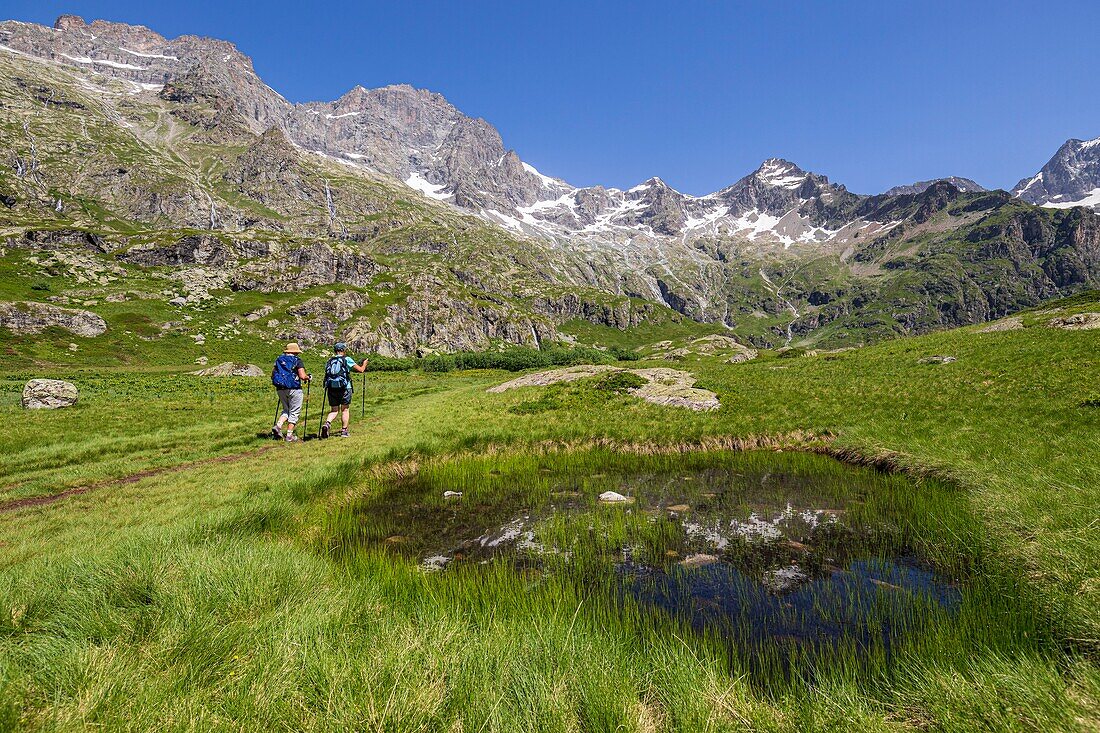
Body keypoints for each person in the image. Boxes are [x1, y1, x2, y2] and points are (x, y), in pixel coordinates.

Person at [320, 342, 368, 439]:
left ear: (335, 350)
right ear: (344, 350)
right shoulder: (347, 359)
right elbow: (361, 370)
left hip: (331, 388)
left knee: (334, 410)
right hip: (345, 388)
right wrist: (364, 364)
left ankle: (327, 424)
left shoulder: (330, 360)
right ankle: (344, 431)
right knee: (345, 409)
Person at [271, 342, 311, 442]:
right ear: (295, 352)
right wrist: (308, 377)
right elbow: (302, 376)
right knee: (294, 411)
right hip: (294, 388)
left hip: (280, 388)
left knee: (286, 410)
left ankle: (278, 425)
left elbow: (272, 374)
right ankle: (289, 436)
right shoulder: (297, 360)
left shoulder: (279, 359)